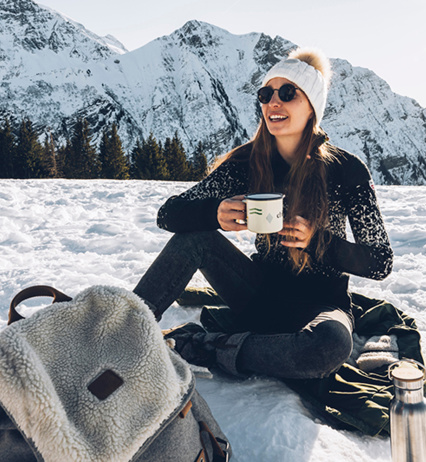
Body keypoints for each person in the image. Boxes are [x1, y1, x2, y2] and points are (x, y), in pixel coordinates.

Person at [133, 47, 393, 380]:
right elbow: (168, 214)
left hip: (323, 305)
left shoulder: (346, 170)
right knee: (195, 239)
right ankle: (125, 331)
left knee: (330, 346)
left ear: (312, 105)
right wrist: (214, 214)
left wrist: (316, 241)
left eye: (287, 93)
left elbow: (380, 260)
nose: (274, 103)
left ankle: (202, 346)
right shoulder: (246, 162)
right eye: (265, 94)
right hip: (257, 294)